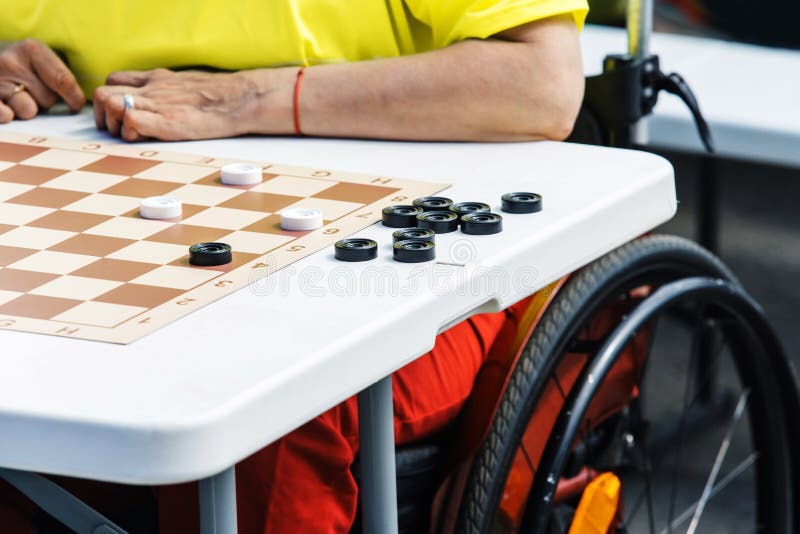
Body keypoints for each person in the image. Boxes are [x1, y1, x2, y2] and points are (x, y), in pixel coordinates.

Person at [0, 1, 587, 531]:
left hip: (409, 260)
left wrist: (252, 98)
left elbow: (544, 83)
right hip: (75, 239)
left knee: (258, 406)